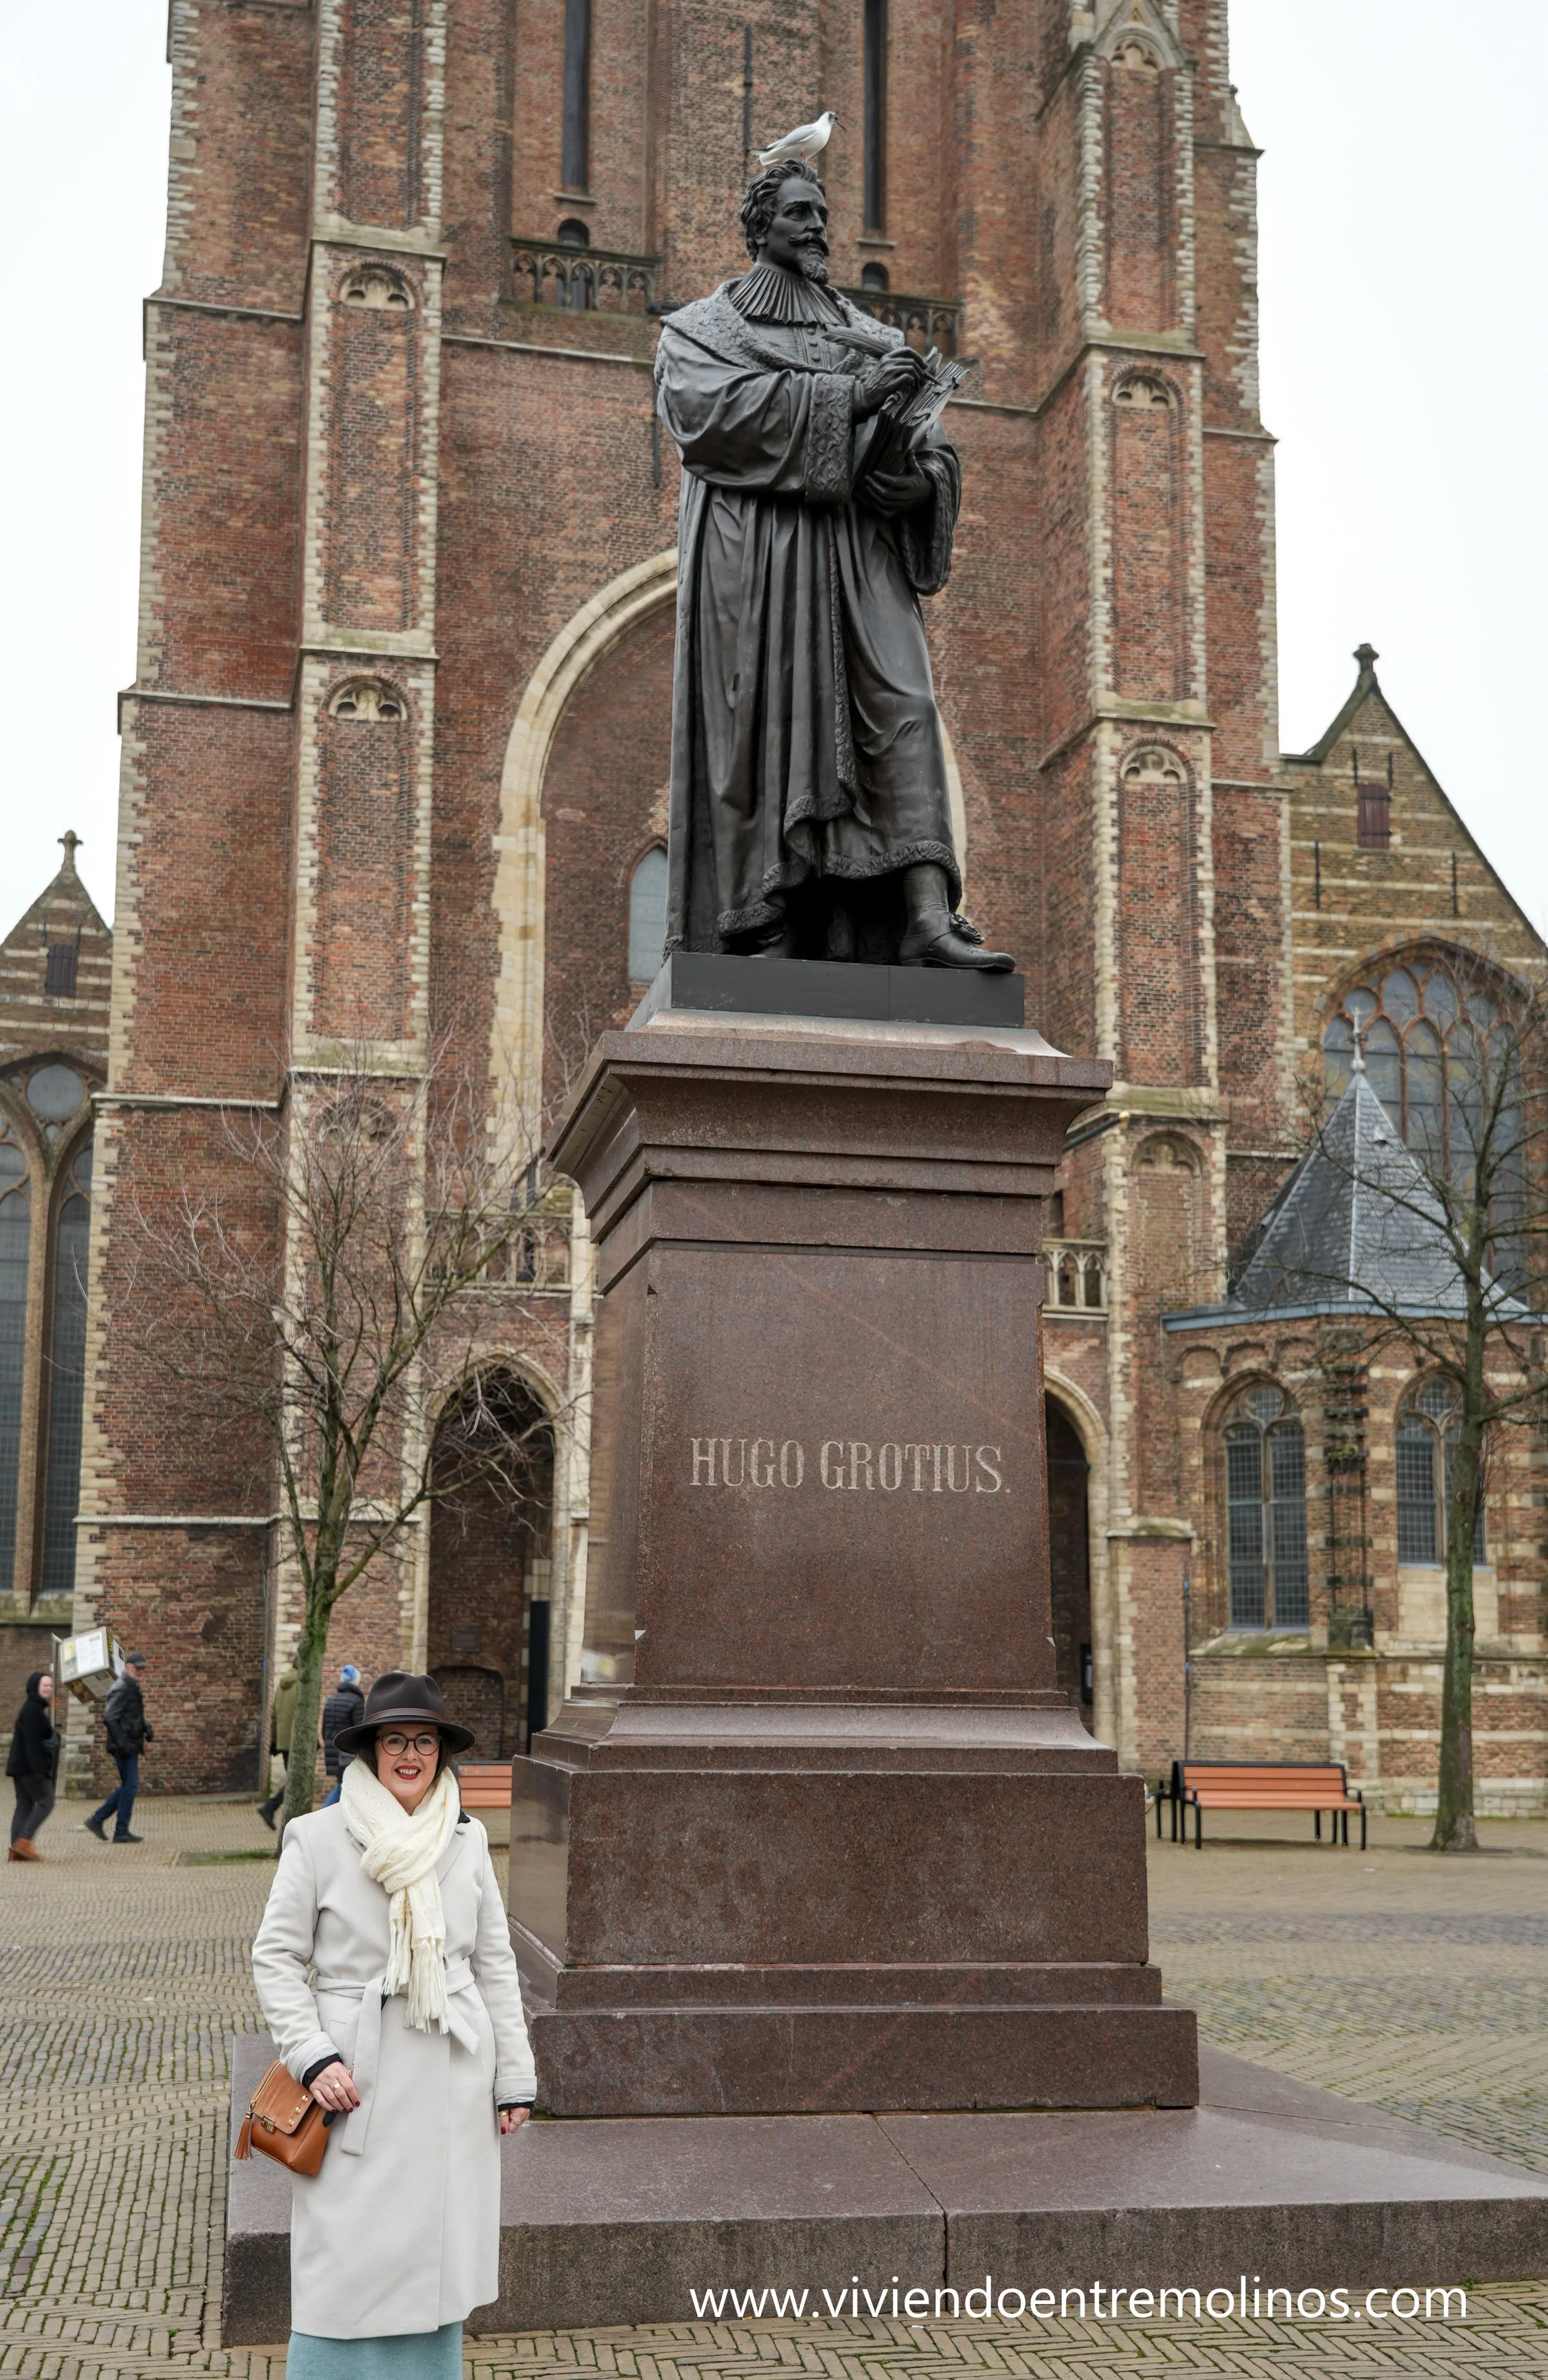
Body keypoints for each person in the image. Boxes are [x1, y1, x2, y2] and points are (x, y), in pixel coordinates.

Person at [655, 157, 1011, 971]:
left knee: (906, 702)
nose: (818, 226)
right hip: (765, 558)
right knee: (774, 728)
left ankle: (927, 917)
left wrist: (913, 471)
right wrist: (847, 400)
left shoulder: (876, 337)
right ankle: (771, 927)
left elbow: (930, 457)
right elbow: (707, 417)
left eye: (822, 212)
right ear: (762, 226)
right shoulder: (706, 330)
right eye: (800, 213)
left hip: (861, 558)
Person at [250, 1672, 535, 2375]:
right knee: (344, 2264)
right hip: (355, 2081)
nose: (411, 1754)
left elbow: (494, 1960)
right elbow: (276, 1956)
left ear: (442, 1753)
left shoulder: (466, 1841)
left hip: (452, 2080)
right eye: (396, 1740)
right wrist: (314, 2056)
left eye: (426, 1741)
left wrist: (513, 2077)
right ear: (371, 1750)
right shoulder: (315, 1837)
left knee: (435, 2267)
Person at [84, 1654, 152, 1844]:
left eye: (143, 1668)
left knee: (128, 1786)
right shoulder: (122, 1688)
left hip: (129, 1743)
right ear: (128, 1667)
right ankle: (119, 1830)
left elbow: (130, 1715)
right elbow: (110, 1717)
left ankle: (98, 1821)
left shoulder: (131, 1686)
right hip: (124, 1746)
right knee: (130, 1786)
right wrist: (122, 1743)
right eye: (137, 1668)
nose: (140, 1671)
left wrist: (146, 1726)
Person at [7, 1671, 60, 1861]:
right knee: (47, 1801)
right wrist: (39, 1772)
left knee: (25, 1805)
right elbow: (33, 1743)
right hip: (30, 1767)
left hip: (20, 1765)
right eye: (44, 1685)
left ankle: (16, 1849)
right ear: (35, 1687)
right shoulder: (33, 1710)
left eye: (50, 1685)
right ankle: (24, 1841)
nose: (48, 1688)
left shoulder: (33, 1707)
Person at [258, 1661, 299, 1829]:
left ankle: (275, 1809)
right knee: (297, 1781)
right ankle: (271, 1806)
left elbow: (274, 1715)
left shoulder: (282, 1684)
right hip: (296, 1742)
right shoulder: (303, 1684)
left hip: (283, 1741)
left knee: (294, 1779)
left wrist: (275, 1741)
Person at [320, 1665, 365, 1809]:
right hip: (347, 1753)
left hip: (332, 1749)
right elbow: (359, 1731)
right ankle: (323, 1813)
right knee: (345, 1787)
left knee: (344, 1785)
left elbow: (324, 1729)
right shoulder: (357, 1702)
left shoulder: (331, 1700)